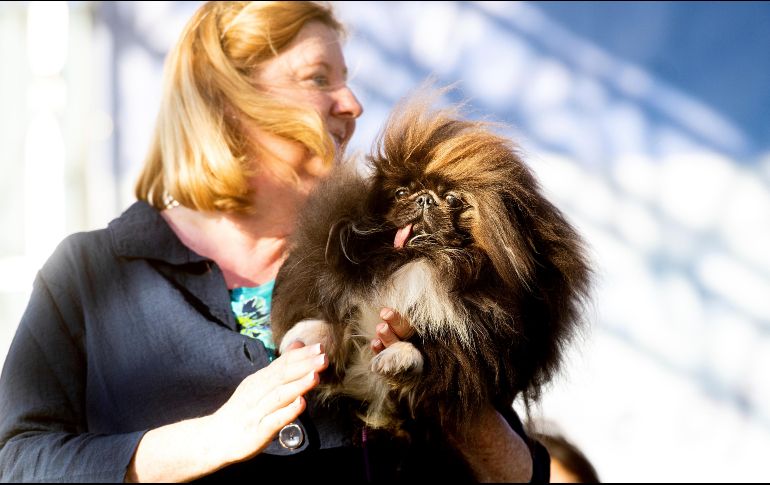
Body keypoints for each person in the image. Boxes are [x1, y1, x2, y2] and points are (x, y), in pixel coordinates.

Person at [0, 2, 547, 482]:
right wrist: (206, 441)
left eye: (345, 78)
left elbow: (520, 470)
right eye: (318, 78)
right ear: (226, 101)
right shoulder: (90, 273)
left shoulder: (404, 255)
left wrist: (443, 386)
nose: (352, 103)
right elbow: (19, 461)